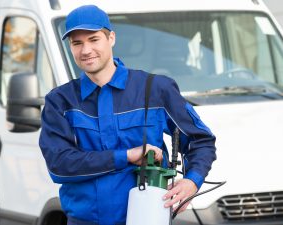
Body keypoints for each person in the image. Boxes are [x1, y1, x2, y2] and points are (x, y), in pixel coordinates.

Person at [39, 4, 216, 225]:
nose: (85, 50)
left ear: (111, 38)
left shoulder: (154, 90)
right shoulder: (60, 102)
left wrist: (192, 181)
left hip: (148, 219)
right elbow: (59, 165)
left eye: (94, 39)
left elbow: (201, 140)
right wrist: (127, 156)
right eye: (77, 43)